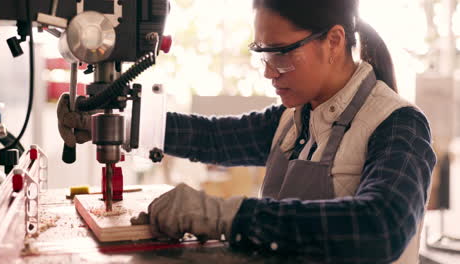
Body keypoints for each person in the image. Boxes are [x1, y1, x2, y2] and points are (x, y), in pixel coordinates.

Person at [57, 0, 436, 263]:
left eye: (281, 54)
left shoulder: (399, 125)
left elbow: (381, 228)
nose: (269, 71)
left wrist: (228, 216)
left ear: (334, 41)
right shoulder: (296, 117)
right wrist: (114, 126)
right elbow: (215, 137)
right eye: (263, 54)